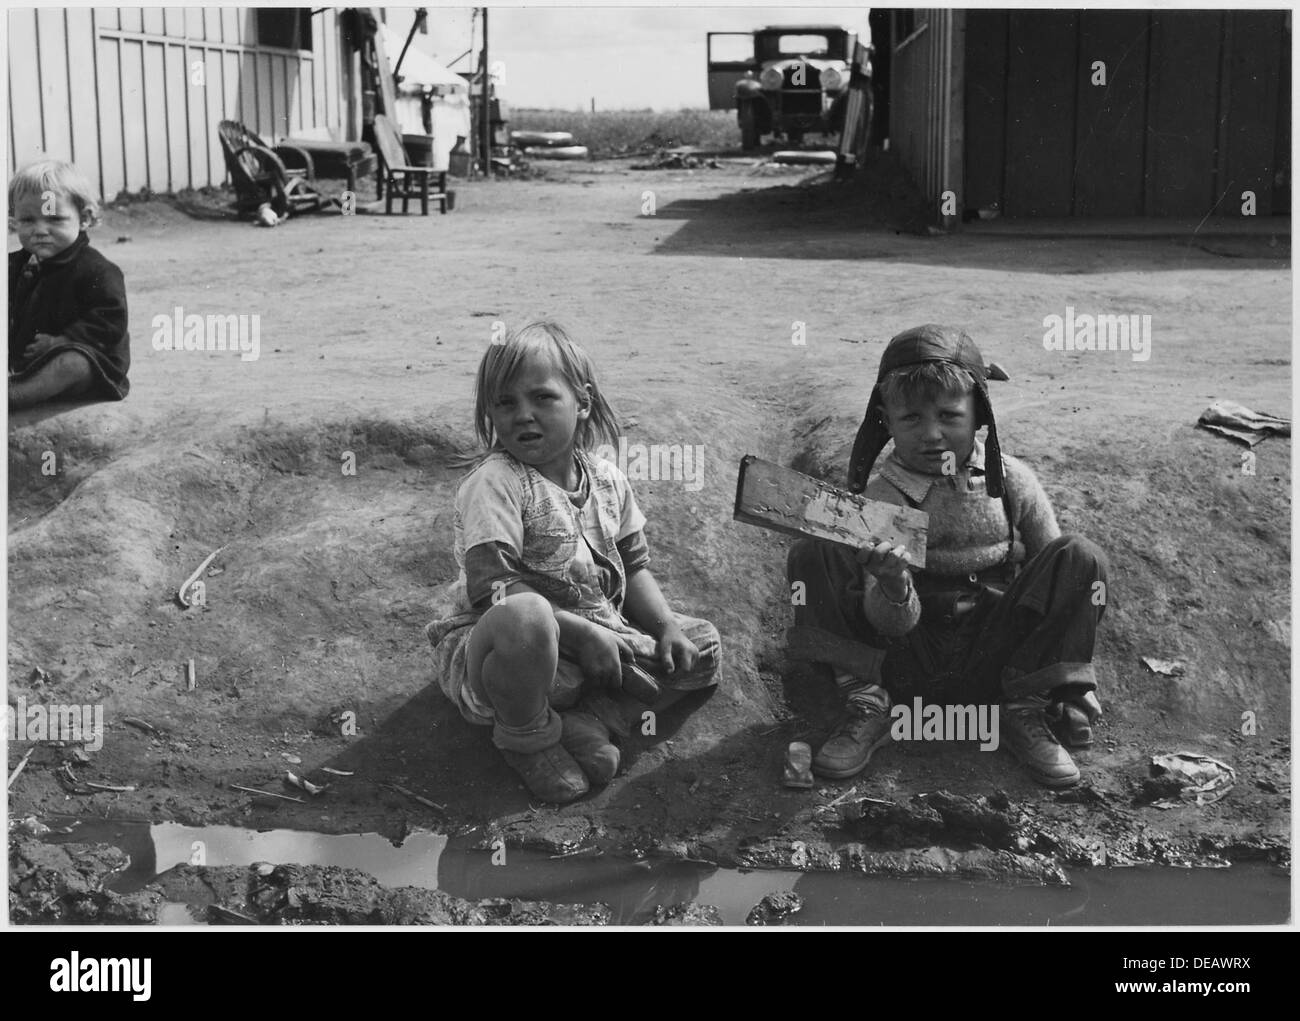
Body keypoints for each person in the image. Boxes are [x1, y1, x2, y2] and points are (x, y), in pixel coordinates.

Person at [786, 324, 1108, 788]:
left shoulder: (1013, 481)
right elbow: (891, 623)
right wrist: (895, 585)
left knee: (1080, 556)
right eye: (911, 418)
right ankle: (867, 705)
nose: (932, 434)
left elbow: (1055, 579)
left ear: (979, 414)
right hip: (906, 662)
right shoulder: (883, 497)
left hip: (997, 662)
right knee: (815, 551)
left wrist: (1064, 677)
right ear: (886, 420)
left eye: (949, 416)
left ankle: (1024, 711)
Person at [427, 321, 721, 803]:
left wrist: (666, 625)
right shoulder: (497, 483)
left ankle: (595, 719)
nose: (523, 415)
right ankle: (527, 738)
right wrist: (584, 635)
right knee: (528, 618)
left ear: (582, 401)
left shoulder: (606, 478)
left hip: (594, 647)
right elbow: (494, 591)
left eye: (542, 398)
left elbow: (635, 564)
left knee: (701, 646)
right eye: (505, 403)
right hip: (507, 652)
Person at [8, 159, 130, 410]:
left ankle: (15, 396)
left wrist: (63, 340)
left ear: (84, 219)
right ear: (14, 220)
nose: (40, 230)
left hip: (90, 358)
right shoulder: (15, 265)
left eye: (54, 219)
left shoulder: (96, 270)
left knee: (71, 364)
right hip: (26, 357)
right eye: (28, 220)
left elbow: (110, 320)